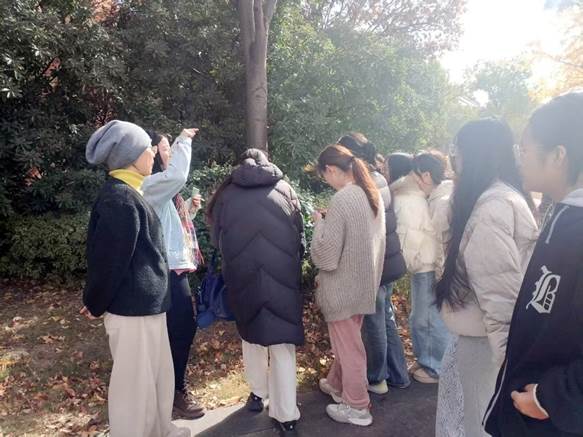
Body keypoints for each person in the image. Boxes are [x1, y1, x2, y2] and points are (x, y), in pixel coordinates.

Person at [81, 120, 190, 437]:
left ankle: (160, 431)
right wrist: (95, 302)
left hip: (147, 306)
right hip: (131, 310)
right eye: (147, 149)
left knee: (156, 378)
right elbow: (109, 262)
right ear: (130, 156)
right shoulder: (119, 199)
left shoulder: (131, 193)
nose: (153, 153)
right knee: (134, 389)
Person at [484, 92, 583, 436]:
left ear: (558, 155)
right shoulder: (563, 214)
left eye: (524, 149)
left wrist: (550, 399)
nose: (519, 159)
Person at [434, 119, 538, 437]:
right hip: (482, 338)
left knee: (478, 424)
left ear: (473, 154)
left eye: (458, 150)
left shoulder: (493, 206)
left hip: (486, 344)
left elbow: (500, 294)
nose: (454, 158)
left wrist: (511, 363)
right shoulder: (502, 196)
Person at [206, 149, 304, 434]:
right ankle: (287, 416)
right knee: (283, 343)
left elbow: (216, 239)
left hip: (242, 273)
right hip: (282, 274)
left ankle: (258, 393)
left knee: (251, 336)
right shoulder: (284, 189)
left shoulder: (227, 194)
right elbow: (299, 233)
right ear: (267, 162)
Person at [311, 144, 385, 427]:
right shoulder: (371, 193)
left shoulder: (343, 198)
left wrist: (319, 224)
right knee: (349, 342)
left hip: (342, 288)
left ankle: (357, 406)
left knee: (349, 350)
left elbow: (326, 257)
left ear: (331, 169)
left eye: (324, 176)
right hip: (363, 285)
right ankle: (336, 384)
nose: (326, 181)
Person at [337, 133, 409, 394]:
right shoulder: (378, 177)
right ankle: (398, 374)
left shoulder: (362, 183)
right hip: (388, 259)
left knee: (374, 322)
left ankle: (377, 378)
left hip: (375, 263)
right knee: (385, 318)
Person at [142, 129, 204, 419]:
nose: (169, 153)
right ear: (152, 153)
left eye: (170, 148)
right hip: (163, 270)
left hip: (173, 267)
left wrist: (188, 210)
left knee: (179, 328)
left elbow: (168, 223)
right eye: (165, 149)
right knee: (178, 329)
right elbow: (178, 175)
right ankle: (173, 391)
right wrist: (184, 141)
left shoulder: (159, 188)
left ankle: (171, 388)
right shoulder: (150, 183)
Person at [389, 152, 451, 384]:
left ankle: (435, 366)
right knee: (425, 316)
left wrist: (403, 265)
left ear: (425, 175)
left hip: (427, 265)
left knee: (427, 318)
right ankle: (427, 359)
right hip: (430, 263)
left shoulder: (417, 200)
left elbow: (412, 238)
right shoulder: (434, 195)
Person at [411, 151, 453, 280]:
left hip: (433, 274)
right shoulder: (438, 197)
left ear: (426, 176)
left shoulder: (440, 204)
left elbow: (440, 247)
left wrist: (439, 281)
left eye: (414, 178)